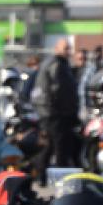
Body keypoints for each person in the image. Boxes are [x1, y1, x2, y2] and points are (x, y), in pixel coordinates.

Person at [31, 38, 80, 181]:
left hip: (53, 113)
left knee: (51, 146)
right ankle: (60, 181)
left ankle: (41, 175)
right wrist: (68, 112)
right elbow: (60, 91)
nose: (68, 52)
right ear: (57, 49)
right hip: (56, 115)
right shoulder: (56, 65)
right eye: (65, 48)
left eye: (69, 48)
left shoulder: (58, 64)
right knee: (60, 149)